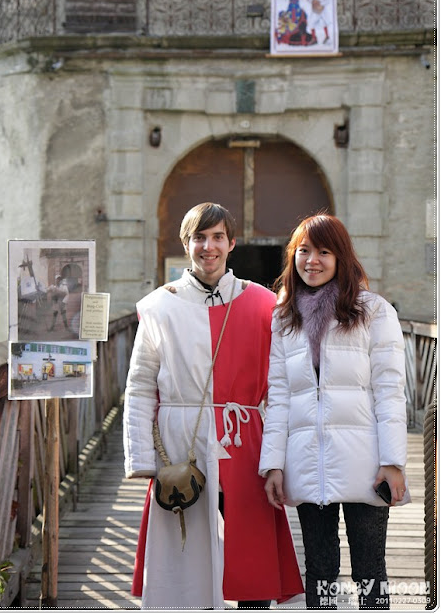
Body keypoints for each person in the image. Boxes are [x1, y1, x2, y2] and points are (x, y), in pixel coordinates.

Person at [123, 202, 304, 609]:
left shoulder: (263, 304)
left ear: (231, 243)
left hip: (244, 436)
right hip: (180, 438)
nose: (209, 247)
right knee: (185, 553)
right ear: (186, 244)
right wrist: (142, 457)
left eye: (218, 237)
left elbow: (282, 389)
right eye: (199, 238)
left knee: (251, 548)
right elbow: (140, 385)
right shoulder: (159, 307)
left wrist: (279, 458)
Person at [259, 214, 409, 610]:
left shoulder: (373, 311)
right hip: (307, 461)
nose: (312, 261)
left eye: (324, 251)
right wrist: (273, 463)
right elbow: (279, 397)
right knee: (320, 570)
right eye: (304, 251)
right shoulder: (284, 317)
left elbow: (390, 391)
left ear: (341, 257)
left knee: (370, 569)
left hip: (366, 461)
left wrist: (393, 461)